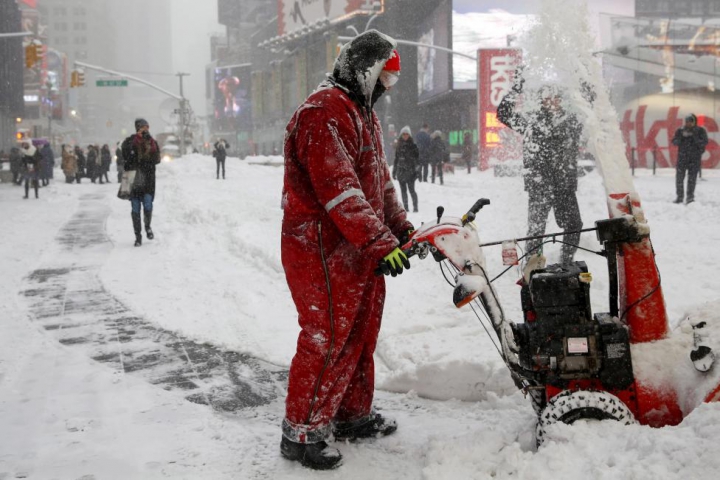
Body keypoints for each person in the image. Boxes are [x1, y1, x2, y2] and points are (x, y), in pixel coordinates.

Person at [280, 30, 413, 470]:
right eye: (383, 81)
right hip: (320, 247)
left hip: (357, 247)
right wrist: (378, 241)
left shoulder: (363, 116)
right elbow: (339, 190)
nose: (385, 93)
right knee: (327, 336)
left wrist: (399, 228)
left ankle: (351, 414)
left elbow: (378, 183)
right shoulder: (323, 113)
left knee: (360, 333)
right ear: (363, 71)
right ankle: (300, 432)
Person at [497, 78, 584, 264]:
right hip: (539, 184)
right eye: (547, 97)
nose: (552, 100)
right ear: (541, 100)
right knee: (536, 230)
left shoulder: (571, 121)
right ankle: (533, 266)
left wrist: (584, 84)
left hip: (564, 185)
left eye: (555, 97)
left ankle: (566, 262)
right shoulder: (532, 122)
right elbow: (504, 113)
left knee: (574, 225)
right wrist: (516, 90)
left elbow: (590, 112)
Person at [121, 118, 161, 247]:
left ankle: (148, 227)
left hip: (148, 179)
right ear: (137, 128)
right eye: (143, 127)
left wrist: (151, 144)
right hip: (133, 179)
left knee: (148, 204)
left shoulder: (152, 141)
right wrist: (135, 142)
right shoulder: (129, 141)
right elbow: (126, 156)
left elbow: (157, 160)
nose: (145, 130)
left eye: (147, 127)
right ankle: (138, 236)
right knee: (135, 208)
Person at [672, 114, 708, 204]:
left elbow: (704, 142)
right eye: (687, 121)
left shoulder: (700, 130)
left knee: (692, 179)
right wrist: (682, 137)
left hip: (694, 159)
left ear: (694, 122)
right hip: (682, 158)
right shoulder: (680, 130)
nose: (688, 123)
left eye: (690, 121)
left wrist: (694, 136)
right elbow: (674, 141)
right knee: (679, 179)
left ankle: (690, 197)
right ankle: (680, 197)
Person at [392, 126, 419, 212]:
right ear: (401, 135)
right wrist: (394, 171)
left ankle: (415, 207)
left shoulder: (413, 146)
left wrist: (418, 171)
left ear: (409, 135)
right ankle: (406, 207)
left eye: (407, 134)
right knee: (403, 191)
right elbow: (396, 159)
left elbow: (417, 159)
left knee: (412, 190)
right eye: (404, 134)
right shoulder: (398, 146)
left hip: (411, 172)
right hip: (401, 171)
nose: (405, 136)